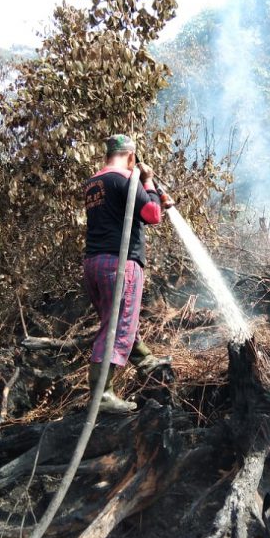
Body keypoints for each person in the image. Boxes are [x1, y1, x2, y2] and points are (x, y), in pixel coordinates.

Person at [83, 134, 171, 413]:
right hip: (119, 264)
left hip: (94, 264)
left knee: (119, 320)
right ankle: (102, 395)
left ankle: (145, 361)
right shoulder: (125, 179)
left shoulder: (93, 182)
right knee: (116, 326)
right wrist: (148, 181)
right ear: (131, 156)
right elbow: (153, 214)